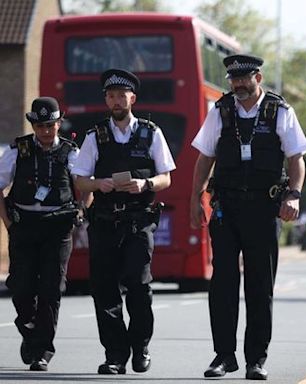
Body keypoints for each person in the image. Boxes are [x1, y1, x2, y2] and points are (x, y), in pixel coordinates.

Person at [190, 54, 306, 380]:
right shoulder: (221, 111)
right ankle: (222, 357)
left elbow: (296, 159)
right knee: (223, 285)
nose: (238, 85)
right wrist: (195, 199)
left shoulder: (280, 112)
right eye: (233, 79)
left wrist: (294, 195)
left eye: (244, 79)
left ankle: (255, 359)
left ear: (258, 77)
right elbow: (205, 158)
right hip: (226, 209)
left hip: (263, 209)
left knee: (259, 287)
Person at [72, 69, 176, 374]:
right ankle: (115, 355)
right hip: (104, 221)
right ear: (106, 100)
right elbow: (80, 180)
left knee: (139, 286)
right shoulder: (95, 135)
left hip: (139, 222)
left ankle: (140, 346)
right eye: (111, 96)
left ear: (133, 98)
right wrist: (99, 184)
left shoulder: (151, 132)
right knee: (104, 290)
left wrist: (146, 185)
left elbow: (166, 177)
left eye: (122, 95)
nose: (117, 100)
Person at [0, 97, 83, 371]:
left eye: (50, 125)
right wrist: (8, 224)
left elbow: (85, 184)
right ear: (33, 126)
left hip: (58, 228)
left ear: (59, 124)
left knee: (51, 289)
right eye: (39, 126)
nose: (45, 131)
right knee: (21, 287)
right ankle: (28, 327)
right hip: (23, 226)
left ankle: (42, 350)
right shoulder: (18, 150)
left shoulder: (71, 152)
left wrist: (79, 213)